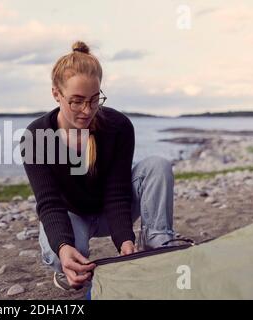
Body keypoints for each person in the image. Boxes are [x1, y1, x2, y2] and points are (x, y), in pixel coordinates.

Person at [20, 40, 175, 291]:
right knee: (66, 259)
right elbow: (49, 203)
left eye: (94, 100)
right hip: (72, 215)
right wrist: (63, 246)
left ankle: (160, 245)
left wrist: (125, 240)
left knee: (158, 165)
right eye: (76, 101)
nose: (87, 110)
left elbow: (117, 191)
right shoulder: (36, 136)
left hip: (108, 210)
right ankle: (65, 264)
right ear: (56, 94)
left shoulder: (118, 126)